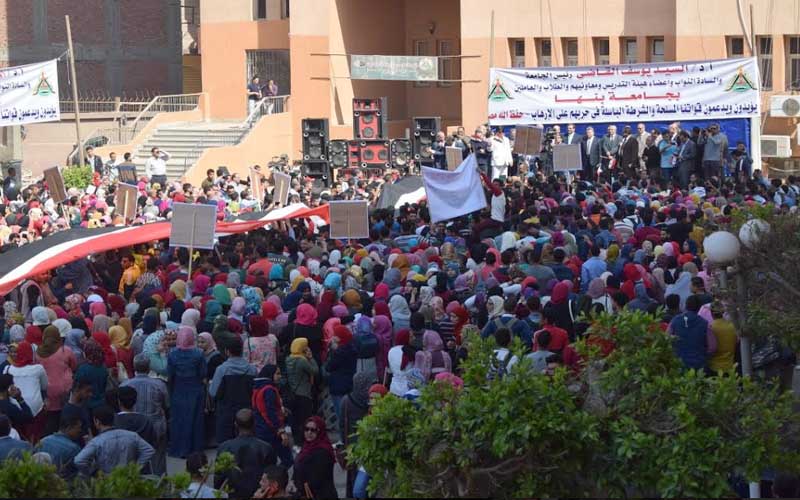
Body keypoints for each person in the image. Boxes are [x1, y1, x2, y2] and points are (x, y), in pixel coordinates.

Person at [73, 405, 155, 475]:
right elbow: (149, 450)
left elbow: (79, 460)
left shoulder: (96, 441)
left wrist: (93, 472)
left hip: (107, 482)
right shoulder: (132, 435)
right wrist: (136, 468)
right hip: (129, 479)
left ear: (97, 421)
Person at [121, 355, 168, 474]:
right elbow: (167, 404)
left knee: (135, 457)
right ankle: (160, 481)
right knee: (158, 457)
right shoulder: (159, 384)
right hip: (156, 426)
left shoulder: (125, 385)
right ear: (149, 368)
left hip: (133, 428)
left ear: (134, 367)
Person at [214, 409, 276, 498]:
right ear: (254, 423)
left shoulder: (224, 448)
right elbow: (271, 478)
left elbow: (218, 481)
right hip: (259, 495)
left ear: (235, 424)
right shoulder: (266, 448)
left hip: (233, 495)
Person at [167, 327, 206, 458]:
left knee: (179, 420)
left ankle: (179, 448)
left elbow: (170, 374)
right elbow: (203, 373)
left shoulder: (172, 354)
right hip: (195, 389)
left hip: (179, 388)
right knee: (196, 420)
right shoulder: (199, 353)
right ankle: (195, 449)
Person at [209, 336, 256, 444]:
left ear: (227, 351)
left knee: (226, 447)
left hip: (226, 413)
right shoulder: (252, 369)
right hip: (247, 414)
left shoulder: (222, 369)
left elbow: (213, 392)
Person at [3, 340, 48, 443]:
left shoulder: (8, 369)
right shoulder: (38, 368)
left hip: (14, 409)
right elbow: (44, 386)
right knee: (35, 437)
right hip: (35, 409)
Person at [37, 325, 77, 437]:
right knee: (67, 417)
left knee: (52, 418)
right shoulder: (65, 350)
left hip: (48, 389)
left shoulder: (39, 353)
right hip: (65, 388)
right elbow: (74, 366)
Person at [252, 364, 293, 467]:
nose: (280, 376)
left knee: (268, 461)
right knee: (287, 459)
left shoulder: (258, 388)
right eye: (277, 374)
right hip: (272, 431)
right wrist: (281, 431)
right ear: (270, 374)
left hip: (261, 429)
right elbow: (270, 412)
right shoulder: (269, 390)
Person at [292, 416, 338, 499]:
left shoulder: (323, 452)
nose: (309, 432)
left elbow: (316, 479)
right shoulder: (306, 447)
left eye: (313, 430)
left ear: (320, 432)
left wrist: (298, 485)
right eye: (306, 429)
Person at [285, 337, 318, 444]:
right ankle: (303, 441)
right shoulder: (302, 361)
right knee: (304, 419)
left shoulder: (288, 359)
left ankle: (296, 441)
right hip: (304, 393)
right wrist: (311, 358)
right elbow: (314, 371)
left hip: (293, 393)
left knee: (295, 419)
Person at [668, 295, 714, 371]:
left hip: (679, 363)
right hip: (699, 364)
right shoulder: (704, 323)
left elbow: (666, 338)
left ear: (685, 306)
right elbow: (712, 347)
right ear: (699, 307)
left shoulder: (675, 320)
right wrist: (704, 356)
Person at [114, 386, 157, 453]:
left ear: (119, 401)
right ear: (135, 400)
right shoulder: (146, 420)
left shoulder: (112, 420)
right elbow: (153, 442)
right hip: (142, 456)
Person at [60, 378, 93, 444]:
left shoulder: (84, 405)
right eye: (87, 391)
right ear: (77, 390)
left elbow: (88, 427)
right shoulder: (68, 411)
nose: (90, 394)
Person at [708, 303, 737, 374]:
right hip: (730, 366)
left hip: (714, 367)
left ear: (711, 313)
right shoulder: (732, 326)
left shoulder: (710, 328)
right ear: (723, 312)